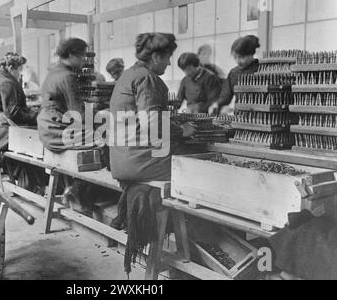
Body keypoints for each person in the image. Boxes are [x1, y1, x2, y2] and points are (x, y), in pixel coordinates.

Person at [109, 33, 196, 274]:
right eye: (167, 57)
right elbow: (153, 125)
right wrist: (183, 130)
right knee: (195, 171)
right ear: (156, 56)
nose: (169, 63)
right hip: (139, 162)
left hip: (122, 158)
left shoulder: (128, 75)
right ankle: (194, 254)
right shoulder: (148, 79)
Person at [37, 38, 97, 213]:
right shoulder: (68, 76)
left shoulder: (53, 72)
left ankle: (73, 189)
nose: (84, 60)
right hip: (57, 131)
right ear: (71, 55)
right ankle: (77, 192)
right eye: (82, 56)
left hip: (47, 128)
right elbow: (77, 113)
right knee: (104, 141)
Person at [0, 52, 38, 152]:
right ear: (10, 68)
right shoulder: (6, 83)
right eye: (18, 69)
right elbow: (13, 113)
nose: (20, 73)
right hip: (5, 135)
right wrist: (35, 116)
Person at [208, 35, 260, 115]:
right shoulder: (233, 73)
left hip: (260, 116)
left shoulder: (261, 70)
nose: (238, 61)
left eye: (242, 57)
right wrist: (217, 104)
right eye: (235, 57)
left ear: (251, 54)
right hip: (239, 116)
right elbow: (226, 96)